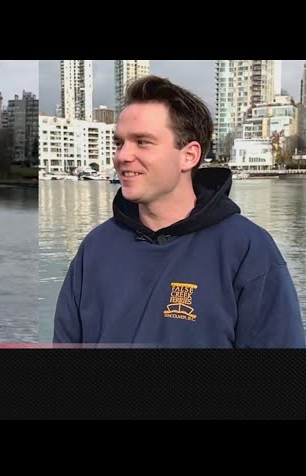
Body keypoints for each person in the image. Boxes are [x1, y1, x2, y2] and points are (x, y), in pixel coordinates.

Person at [53, 75, 305, 348]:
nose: (123, 156)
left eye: (142, 142)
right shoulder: (95, 248)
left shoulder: (247, 249)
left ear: (189, 155)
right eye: (120, 143)